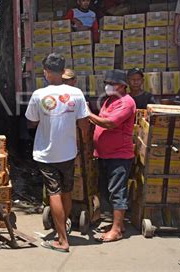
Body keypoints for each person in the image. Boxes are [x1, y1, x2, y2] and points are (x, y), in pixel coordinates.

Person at [25, 53, 90, 252]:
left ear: (45, 72)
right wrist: (85, 145)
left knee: (54, 192)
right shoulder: (77, 93)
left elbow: (31, 122)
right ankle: (64, 227)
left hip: (46, 153)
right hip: (69, 151)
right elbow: (84, 123)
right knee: (66, 190)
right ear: (63, 72)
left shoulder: (39, 95)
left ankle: (62, 239)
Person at [88, 69, 136, 243]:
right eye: (107, 83)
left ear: (123, 86)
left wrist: (88, 114)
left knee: (117, 191)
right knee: (106, 190)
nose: (108, 86)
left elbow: (109, 123)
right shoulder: (109, 100)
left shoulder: (126, 102)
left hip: (119, 155)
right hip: (104, 154)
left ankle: (116, 230)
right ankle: (119, 224)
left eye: (112, 83)